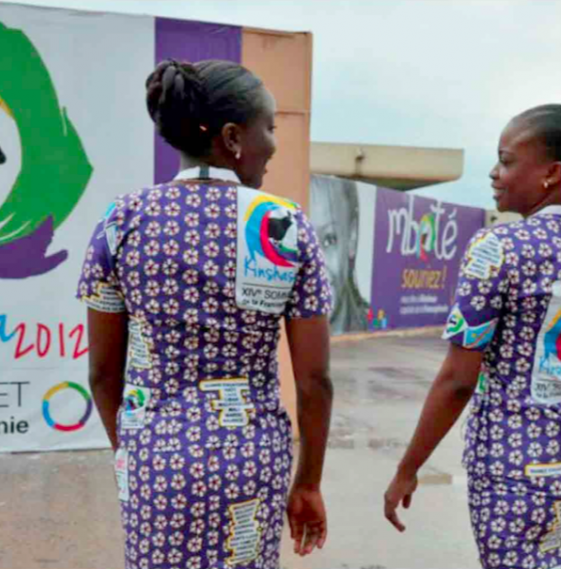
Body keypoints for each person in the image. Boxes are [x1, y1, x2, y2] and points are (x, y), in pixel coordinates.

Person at [77, 59, 334, 569]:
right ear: (234, 137)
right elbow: (315, 381)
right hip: (252, 457)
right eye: (270, 128)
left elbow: (103, 373)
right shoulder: (284, 225)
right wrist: (307, 482)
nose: (274, 144)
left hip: (156, 454)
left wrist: (134, 450)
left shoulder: (121, 220)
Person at [384, 105, 561, 569]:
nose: (494, 172)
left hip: (516, 474)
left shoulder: (499, 250)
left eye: (506, 160)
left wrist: (408, 468)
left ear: (552, 173)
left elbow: (458, 380)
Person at [309, 175, 370, 334]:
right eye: (303, 242)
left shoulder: (370, 326)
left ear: (352, 237)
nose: (315, 265)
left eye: (329, 240)